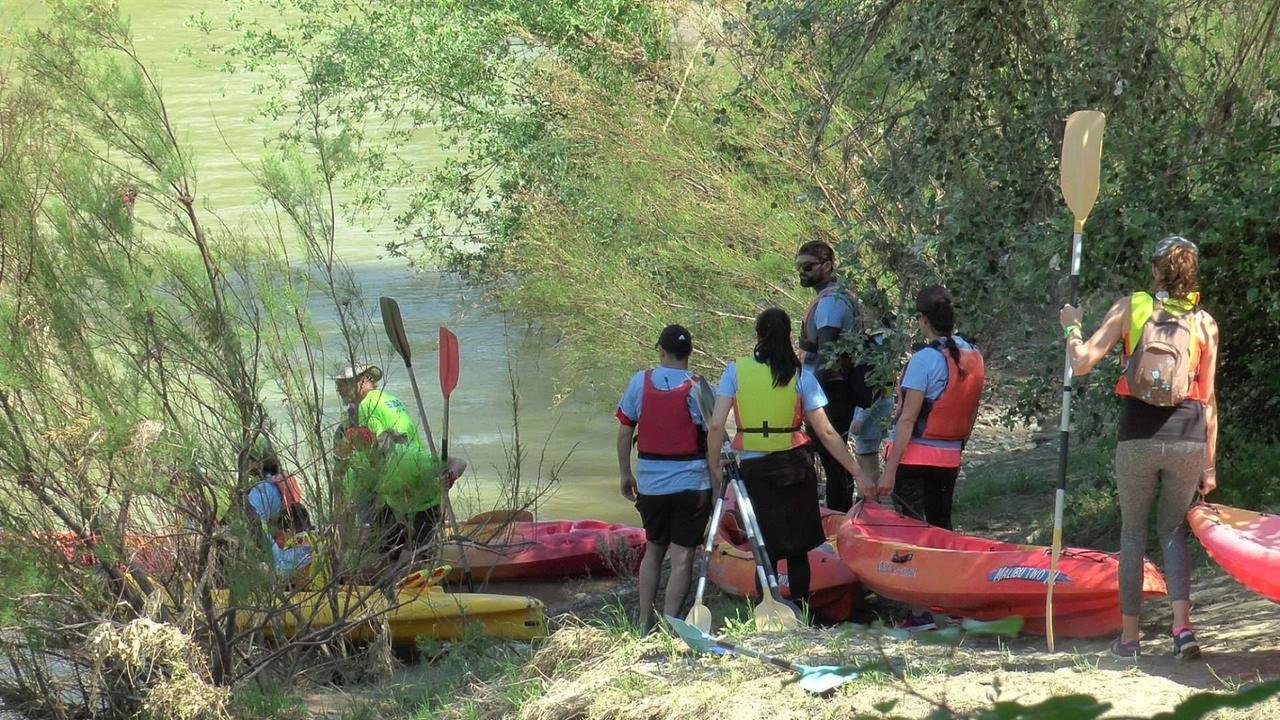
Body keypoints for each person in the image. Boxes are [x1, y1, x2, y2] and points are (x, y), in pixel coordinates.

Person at [1058, 236, 1218, 660]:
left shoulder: (1132, 306)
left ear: (1154, 269)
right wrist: (1210, 465)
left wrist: (1072, 326)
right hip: (1188, 439)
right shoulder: (1204, 322)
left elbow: (1082, 361)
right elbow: (1209, 399)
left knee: (1133, 533)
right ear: (1192, 272)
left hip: (1138, 437)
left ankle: (1129, 639)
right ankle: (1182, 629)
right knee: (1171, 530)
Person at [707, 308, 869, 612]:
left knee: (762, 547)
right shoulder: (802, 377)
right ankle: (801, 608)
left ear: (758, 336)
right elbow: (827, 432)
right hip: (796, 468)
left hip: (755, 472)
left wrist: (714, 467)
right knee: (797, 550)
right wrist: (857, 471)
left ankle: (765, 609)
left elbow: (716, 425)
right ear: (788, 337)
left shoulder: (735, 371)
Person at [878, 285, 985, 631]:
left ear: (923, 320)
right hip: (949, 457)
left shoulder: (923, 360)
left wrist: (889, 471)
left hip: (915, 459)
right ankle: (952, 603)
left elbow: (907, 419)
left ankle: (919, 612)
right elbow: (969, 413)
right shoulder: (973, 355)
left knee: (911, 534)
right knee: (942, 529)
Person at [616, 325, 716, 633]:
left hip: (652, 483)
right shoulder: (699, 386)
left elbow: (624, 431)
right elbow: (713, 437)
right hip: (692, 484)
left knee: (654, 548)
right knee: (683, 555)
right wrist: (718, 486)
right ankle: (672, 624)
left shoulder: (640, 381)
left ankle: (644, 622)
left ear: (661, 350)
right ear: (690, 353)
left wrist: (625, 473)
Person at [332, 363, 465, 567]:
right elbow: (345, 499)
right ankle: (393, 553)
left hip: (418, 489)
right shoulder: (388, 398)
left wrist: (450, 475)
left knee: (408, 560)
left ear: (363, 381)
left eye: (342, 383)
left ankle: (413, 556)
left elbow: (384, 439)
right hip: (398, 494)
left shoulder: (368, 407)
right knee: (379, 553)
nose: (338, 389)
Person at [795, 240, 877, 512]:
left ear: (827, 265)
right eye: (799, 267)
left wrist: (808, 400)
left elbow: (828, 355)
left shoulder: (831, 302)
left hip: (829, 393)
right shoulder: (837, 296)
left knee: (834, 465)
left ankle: (839, 522)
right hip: (834, 391)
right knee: (835, 465)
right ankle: (840, 520)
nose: (802, 273)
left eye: (808, 267)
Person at [243, 436, 314, 579]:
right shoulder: (283, 482)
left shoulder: (262, 489)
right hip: (283, 537)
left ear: (257, 462)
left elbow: (253, 522)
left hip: (265, 540)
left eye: (249, 461)